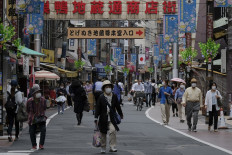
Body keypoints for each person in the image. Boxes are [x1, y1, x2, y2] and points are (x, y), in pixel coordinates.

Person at [95, 80, 123, 153]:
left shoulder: (114, 96)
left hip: (111, 118)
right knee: (103, 133)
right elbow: (97, 108)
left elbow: (117, 106)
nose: (108, 88)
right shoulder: (101, 97)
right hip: (103, 118)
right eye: (106, 87)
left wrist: (120, 113)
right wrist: (96, 117)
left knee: (113, 131)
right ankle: (103, 147)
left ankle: (112, 146)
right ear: (104, 88)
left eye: (109, 87)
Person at [26, 85, 47, 150]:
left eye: (39, 92)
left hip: (41, 117)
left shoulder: (43, 100)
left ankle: (41, 144)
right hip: (32, 118)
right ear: (33, 93)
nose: (38, 93)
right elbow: (27, 109)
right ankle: (34, 145)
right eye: (36, 92)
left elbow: (45, 108)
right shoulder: (29, 101)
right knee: (32, 131)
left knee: (43, 130)